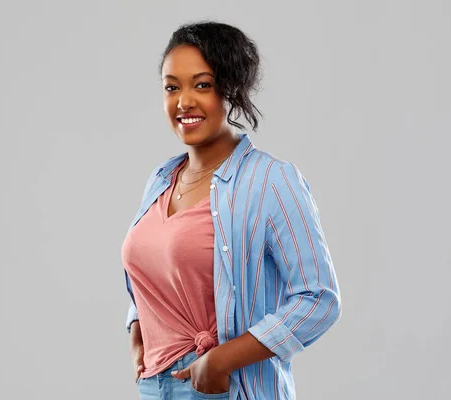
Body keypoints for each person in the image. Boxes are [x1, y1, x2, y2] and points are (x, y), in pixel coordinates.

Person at [121, 21, 341, 400]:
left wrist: (221, 360)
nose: (183, 101)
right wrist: (137, 326)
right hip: (153, 386)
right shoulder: (160, 179)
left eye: (201, 85)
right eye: (172, 87)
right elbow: (158, 271)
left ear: (232, 88)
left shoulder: (272, 180)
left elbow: (319, 299)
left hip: (222, 388)